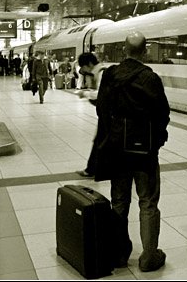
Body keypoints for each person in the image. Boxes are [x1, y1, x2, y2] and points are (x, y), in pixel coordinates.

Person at [94, 32, 170, 272]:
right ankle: (148, 256)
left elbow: (102, 111)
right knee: (148, 202)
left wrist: (113, 135)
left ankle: (118, 254)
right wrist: (156, 141)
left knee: (119, 201)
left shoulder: (110, 75)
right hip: (144, 151)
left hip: (117, 150)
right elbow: (162, 114)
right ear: (145, 51)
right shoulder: (151, 78)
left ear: (123, 50)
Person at [75, 52, 109, 177]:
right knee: (102, 140)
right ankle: (93, 169)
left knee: (100, 140)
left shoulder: (101, 73)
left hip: (109, 114)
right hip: (107, 113)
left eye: (83, 67)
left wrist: (85, 94)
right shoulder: (99, 72)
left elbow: (101, 94)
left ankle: (91, 170)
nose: (83, 71)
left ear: (89, 64)